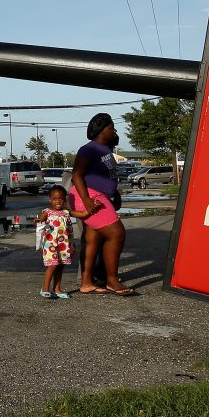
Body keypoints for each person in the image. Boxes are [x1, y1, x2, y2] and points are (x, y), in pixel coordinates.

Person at [70, 113, 135, 296]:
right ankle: (112, 281)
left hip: (101, 196)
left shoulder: (105, 150)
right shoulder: (89, 149)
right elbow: (77, 175)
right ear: (101, 130)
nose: (114, 131)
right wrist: (86, 200)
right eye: (111, 128)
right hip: (90, 196)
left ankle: (86, 283)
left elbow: (107, 177)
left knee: (93, 239)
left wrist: (115, 193)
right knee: (116, 233)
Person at [34, 185, 90, 298]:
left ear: (65, 199)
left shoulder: (66, 212)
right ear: (50, 200)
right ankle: (45, 288)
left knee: (60, 266)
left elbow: (81, 214)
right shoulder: (47, 212)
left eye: (60, 198)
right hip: (51, 244)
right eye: (55, 198)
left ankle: (57, 289)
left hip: (64, 244)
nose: (58, 201)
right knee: (53, 265)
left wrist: (91, 208)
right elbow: (41, 219)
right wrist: (38, 220)